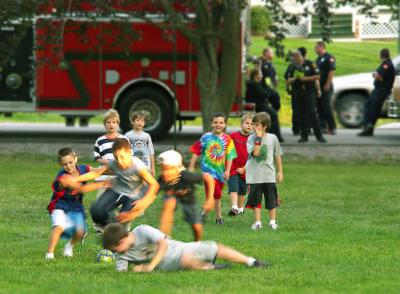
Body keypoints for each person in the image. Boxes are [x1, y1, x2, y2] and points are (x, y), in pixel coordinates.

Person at [61, 138, 159, 229]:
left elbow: (154, 184)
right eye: (116, 157)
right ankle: (111, 229)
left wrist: (144, 201)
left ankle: (118, 231)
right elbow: (96, 173)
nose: (120, 161)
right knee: (96, 211)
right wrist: (75, 179)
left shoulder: (138, 167)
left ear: (129, 153)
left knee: (123, 219)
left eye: (122, 157)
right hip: (117, 189)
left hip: (134, 194)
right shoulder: (114, 163)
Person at [102, 223, 268, 272]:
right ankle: (210, 268)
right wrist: (136, 270)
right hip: (167, 264)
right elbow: (121, 275)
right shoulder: (122, 256)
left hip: (179, 247)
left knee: (214, 247)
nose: (117, 252)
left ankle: (251, 261)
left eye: (116, 248)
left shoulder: (142, 230)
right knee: (186, 259)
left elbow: (163, 243)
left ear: (123, 238)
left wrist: (150, 265)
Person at [45, 148, 100, 259]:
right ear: (60, 164)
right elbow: (82, 189)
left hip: (76, 207)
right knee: (59, 227)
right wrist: (104, 183)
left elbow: (96, 171)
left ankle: (69, 246)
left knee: (80, 232)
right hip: (60, 206)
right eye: (65, 164)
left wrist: (110, 169)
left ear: (75, 159)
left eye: (70, 162)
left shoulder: (84, 169)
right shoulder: (63, 177)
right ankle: (49, 254)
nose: (68, 166)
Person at [189, 112, 237, 225]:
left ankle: (214, 216)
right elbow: (196, 151)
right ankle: (205, 214)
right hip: (207, 172)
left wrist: (227, 170)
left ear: (225, 125)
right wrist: (191, 166)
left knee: (217, 195)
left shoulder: (228, 139)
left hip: (220, 173)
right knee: (213, 194)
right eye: (215, 122)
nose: (218, 125)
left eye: (221, 122)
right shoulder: (206, 137)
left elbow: (230, 156)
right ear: (211, 123)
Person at [157, 150, 215, 241]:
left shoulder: (186, 176)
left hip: (188, 198)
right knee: (168, 206)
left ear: (177, 168)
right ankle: (163, 241)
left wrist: (210, 200)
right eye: (162, 169)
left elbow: (208, 177)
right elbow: (151, 193)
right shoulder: (162, 178)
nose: (164, 173)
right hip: (171, 196)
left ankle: (197, 243)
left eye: (167, 169)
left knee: (196, 226)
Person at [245, 112, 283, 231]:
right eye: (253, 125)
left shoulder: (273, 138)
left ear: (265, 126)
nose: (253, 127)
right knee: (256, 200)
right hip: (254, 176)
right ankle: (257, 222)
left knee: (272, 199)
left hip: (269, 175)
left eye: (257, 125)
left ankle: (272, 222)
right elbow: (256, 153)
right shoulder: (251, 138)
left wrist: (280, 171)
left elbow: (277, 155)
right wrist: (259, 139)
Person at [286, 51, 326, 143]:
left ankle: (319, 136)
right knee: (300, 114)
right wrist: (295, 79)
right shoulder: (292, 66)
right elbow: (288, 79)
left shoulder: (310, 64)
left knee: (312, 113)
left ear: (300, 56)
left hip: (309, 91)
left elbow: (317, 76)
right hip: (297, 91)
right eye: (293, 58)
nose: (294, 59)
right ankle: (304, 136)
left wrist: (305, 79)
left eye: (296, 57)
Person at [358, 48, 395, 136]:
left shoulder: (386, 64)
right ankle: (369, 128)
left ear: (381, 55)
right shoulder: (388, 64)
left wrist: (375, 74)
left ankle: (367, 127)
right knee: (374, 109)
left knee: (369, 107)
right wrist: (377, 75)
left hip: (380, 90)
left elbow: (378, 76)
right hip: (382, 90)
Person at [245, 69, 284, 142]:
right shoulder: (254, 84)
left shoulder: (256, 84)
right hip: (257, 105)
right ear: (255, 76)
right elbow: (264, 95)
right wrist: (269, 88)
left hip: (260, 104)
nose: (261, 76)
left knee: (273, 111)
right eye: (260, 74)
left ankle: (273, 136)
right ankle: (275, 136)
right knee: (273, 114)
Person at [227, 113, 253, 216]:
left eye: (251, 124)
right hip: (233, 166)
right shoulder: (233, 136)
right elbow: (228, 150)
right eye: (247, 123)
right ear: (241, 124)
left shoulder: (253, 140)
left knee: (242, 190)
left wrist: (244, 168)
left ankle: (240, 207)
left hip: (245, 168)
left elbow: (252, 156)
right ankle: (234, 207)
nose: (249, 125)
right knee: (234, 187)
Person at [315, 41, 337, 134]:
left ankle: (332, 127)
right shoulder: (318, 59)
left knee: (327, 106)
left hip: (326, 86)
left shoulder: (329, 58)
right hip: (319, 87)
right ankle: (323, 126)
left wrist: (327, 83)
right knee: (319, 106)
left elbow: (331, 71)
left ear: (321, 47)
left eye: (316, 47)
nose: (315, 49)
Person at [125, 111, 155, 176]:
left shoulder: (147, 136)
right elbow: (125, 151)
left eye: (142, 121)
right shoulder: (128, 135)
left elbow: (151, 152)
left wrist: (153, 168)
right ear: (132, 121)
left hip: (145, 165)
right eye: (138, 120)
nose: (140, 122)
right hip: (132, 166)